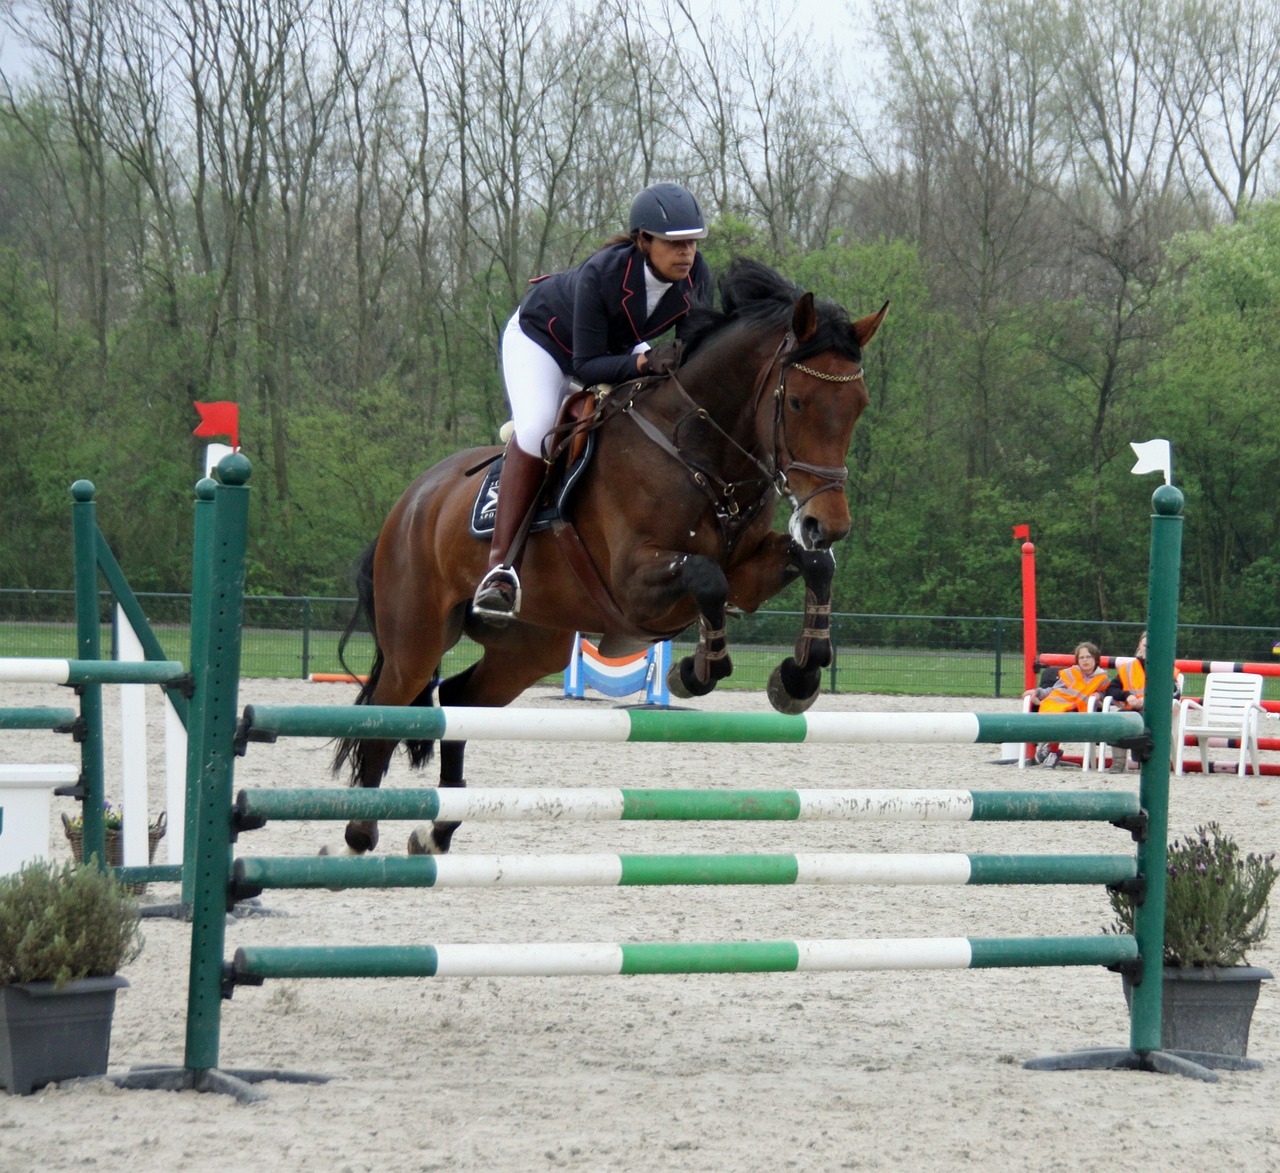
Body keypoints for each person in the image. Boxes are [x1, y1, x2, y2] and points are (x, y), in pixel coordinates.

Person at [472, 182, 714, 620]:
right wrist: (643, 366)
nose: (687, 253)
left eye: (693, 243)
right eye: (674, 244)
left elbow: (689, 359)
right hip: (543, 342)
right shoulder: (602, 273)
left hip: (615, 350)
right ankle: (501, 568)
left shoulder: (697, 278)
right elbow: (585, 366)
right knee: (538, 430)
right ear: (643, 241)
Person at [1103, 631, 1182, 772]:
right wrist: (1126, 696)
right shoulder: (1128, 668)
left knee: (1142, 722)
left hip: (1155, 713)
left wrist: (1149, 700)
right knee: (1118, 719)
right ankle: (1118, 763)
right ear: (1140, 645)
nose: (1147, 648)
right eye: (1145, 645)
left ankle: (1142, 753)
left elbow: (1175, 693)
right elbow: (1111, 690)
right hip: (1131, 711)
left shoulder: (1165, 667)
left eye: (1151, 646)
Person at [1025, 641, 1108, 768]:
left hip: (1082, 713)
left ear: (1096, 659)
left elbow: (1107, 695)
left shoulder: (1102, 679)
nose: (1085, 660)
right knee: (1055, 715)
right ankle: (1052, 749)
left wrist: (1099, 695)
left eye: (1089, 656)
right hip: (1059, 706)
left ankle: (1051, 748)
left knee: (1061, 717)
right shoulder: (1070, 673)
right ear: (1077, 660)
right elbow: (1052, 690)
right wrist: (1037, 692)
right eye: (1081, 657)